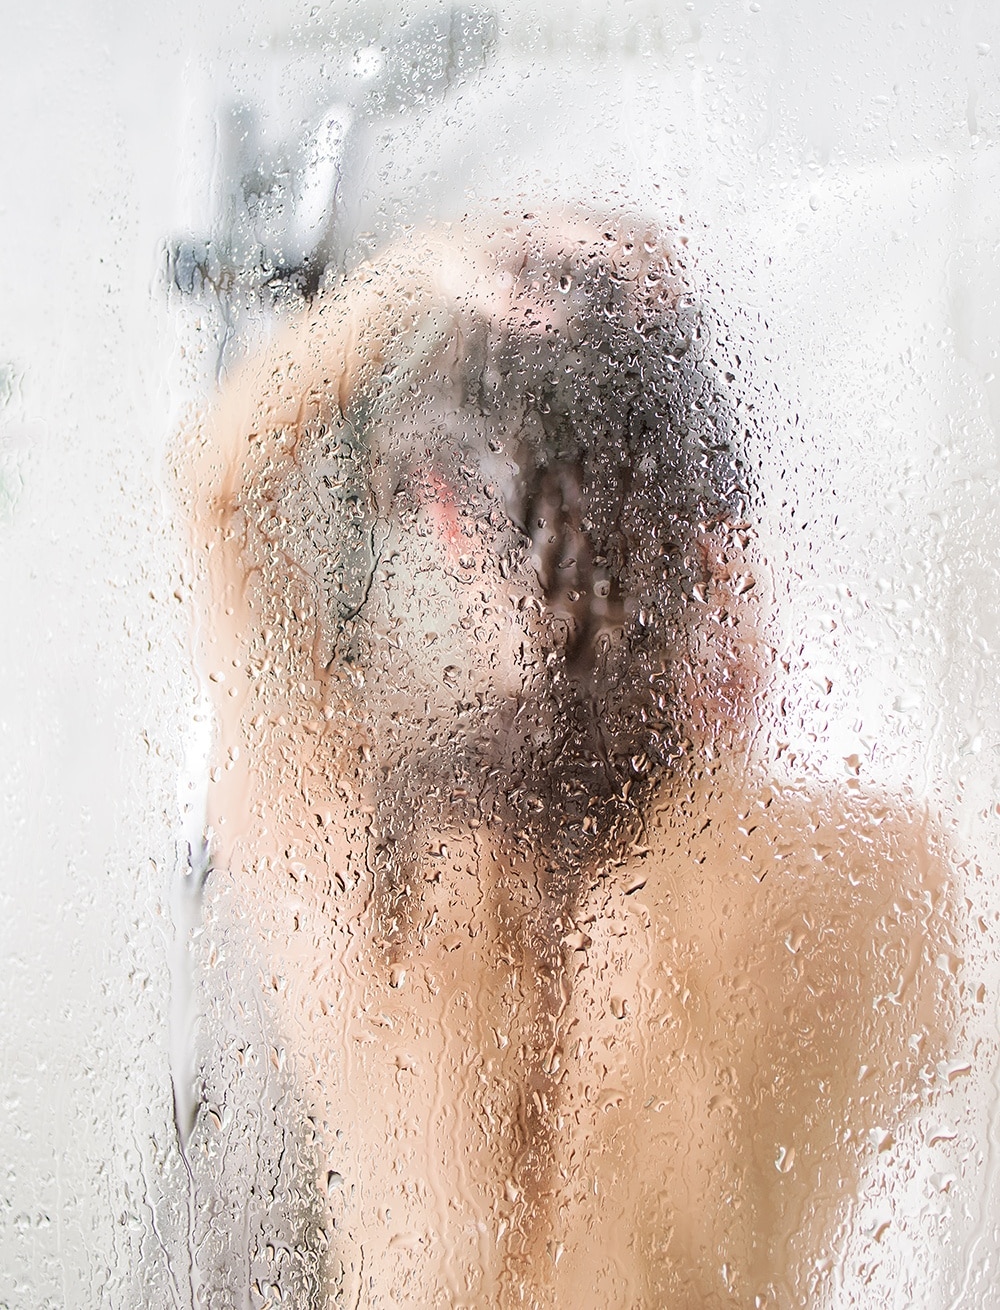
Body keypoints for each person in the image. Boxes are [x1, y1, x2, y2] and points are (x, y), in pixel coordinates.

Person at [182, 210, 959, 1307]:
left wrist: (434, 267)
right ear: (719, 550)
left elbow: (214, 494)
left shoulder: (350, 854)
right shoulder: (867, 882)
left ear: (450, 523)